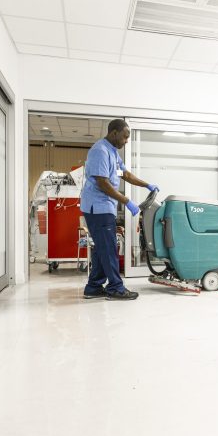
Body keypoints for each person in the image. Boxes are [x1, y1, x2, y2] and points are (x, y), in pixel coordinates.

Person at [80, 119, 159, 300]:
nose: (126, 141)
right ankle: (115, 287)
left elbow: (125, 174)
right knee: (108, 248)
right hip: (97, 207)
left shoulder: (113, 153)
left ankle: (93, 287)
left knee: (102, 248)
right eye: (124, 137)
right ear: (114, 133)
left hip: (104, 206)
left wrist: (147, 185)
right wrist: (127, 201)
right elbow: (102, 183)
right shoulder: (100, 151)